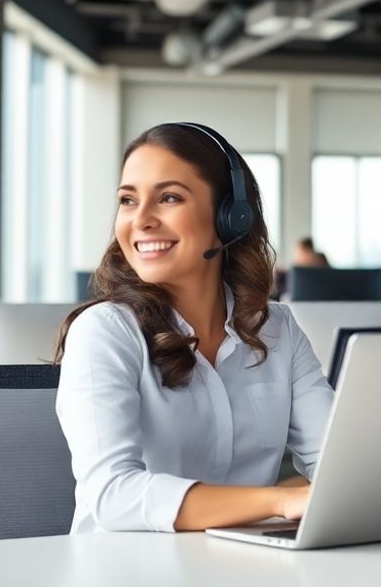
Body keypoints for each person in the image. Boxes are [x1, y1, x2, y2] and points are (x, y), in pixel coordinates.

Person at [54, 122, 333, 533]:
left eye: (168, 197)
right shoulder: (105, 331)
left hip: (240, 566)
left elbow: (337, 461)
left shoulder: (278, 329)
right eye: (128, 201)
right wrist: (279, 499)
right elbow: (114, 494)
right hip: (126, 570)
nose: (142, 220)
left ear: (230, 216)